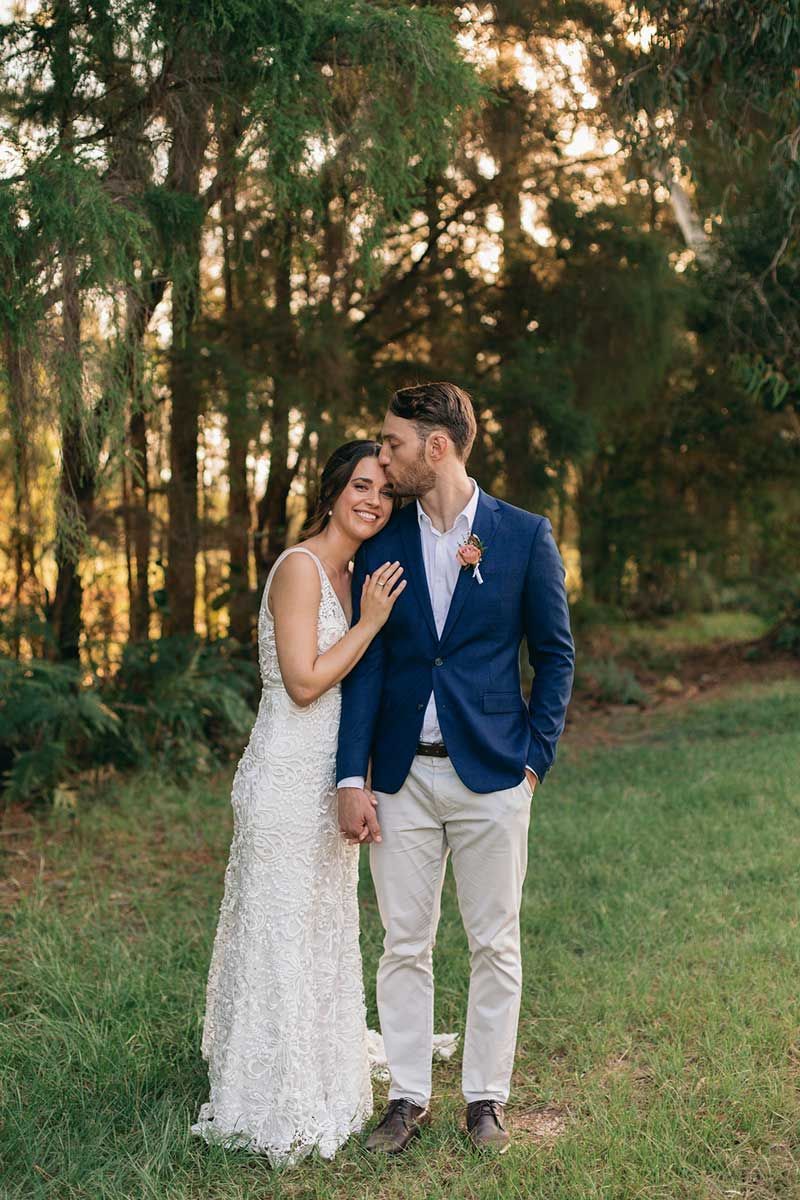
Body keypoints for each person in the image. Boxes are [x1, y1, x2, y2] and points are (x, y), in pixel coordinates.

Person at [336, 382, 575, 1155]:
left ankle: (485, 1099)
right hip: (402, 775)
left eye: (394, 443)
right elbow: (367, 668)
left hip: (494, 776)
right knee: (403, 942)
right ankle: (407, 1095)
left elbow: (555, 656)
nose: (383, 456)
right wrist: (353, 776)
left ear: (436, 448)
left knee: (494, 943)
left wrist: (533, 764)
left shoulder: (524, 535)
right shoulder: (384, 542)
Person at [192, 440, 406, 1166]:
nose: (373, 501)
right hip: (283, 775)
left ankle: (320, 1068)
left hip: (329, 781)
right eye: (362, 486)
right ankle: (268, 1089)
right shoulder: (299, 569)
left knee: (320, 926)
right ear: (332, 491)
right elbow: (305, 681)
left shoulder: (357, 575)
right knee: (280, 931)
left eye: (384, 492)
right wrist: (370, 624)